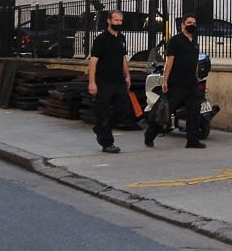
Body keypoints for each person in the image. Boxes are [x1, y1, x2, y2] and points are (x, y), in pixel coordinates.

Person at [145, 15, 205, 149]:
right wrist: (165, 81)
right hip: (177, 82)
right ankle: (150, 134)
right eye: (189, 22)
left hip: (191, 83)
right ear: (183, 25)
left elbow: (194, 62)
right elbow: (169, 62)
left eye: (194, 23)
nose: (192, 25)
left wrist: (196, 77)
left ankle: (192, 140)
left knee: (194, 110)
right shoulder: (175, 41)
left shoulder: (194, 41)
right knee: (166, 110)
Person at [87, 10, 131, 154]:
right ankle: (107, 143)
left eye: (120, 21)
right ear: (108, 20)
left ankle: (101, 129)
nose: (118, 23)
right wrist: (92, 82)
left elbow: (124, 58)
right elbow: (93, 61)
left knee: (122, 109)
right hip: (104, 81)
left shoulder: (122, 38)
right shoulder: (101, 40)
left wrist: (127, 76)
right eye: (116, 20)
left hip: (119, 80)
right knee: (103, 112)